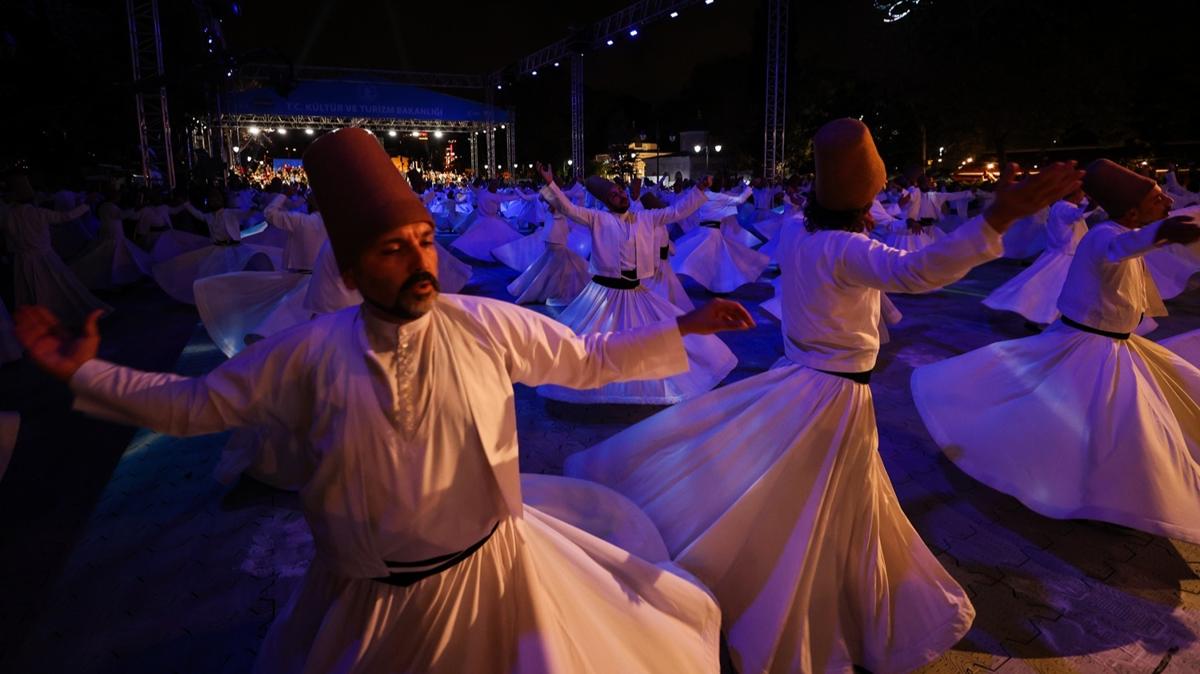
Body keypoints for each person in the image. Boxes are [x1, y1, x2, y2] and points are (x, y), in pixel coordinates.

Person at [15, 127, 756, 674]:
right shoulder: (307, 353)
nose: (420, 262)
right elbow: (195, 405)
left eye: (425, 240)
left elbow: (588, 359)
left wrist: (683, 325)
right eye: (391, 248)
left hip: (492, 580)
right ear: (348, 264)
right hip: (368, 601)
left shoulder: (485, 324)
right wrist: (87, 375)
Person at [566, 118, 1083, 674]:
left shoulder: (798, 230)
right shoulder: (846, 247)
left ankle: (762, 564)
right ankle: (791, 594)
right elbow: (917, 272)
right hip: (832, 394)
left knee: (782, 484)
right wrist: (996, 219)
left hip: (798, 379)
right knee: (823, 494)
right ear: (867, 197)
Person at [912, 158, 1200, 544]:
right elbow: (1122, 247)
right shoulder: (1104, 236)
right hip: (1089, 345)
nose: (1166, 201)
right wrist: (1160, 233)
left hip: (1115, 346)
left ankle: (1108, 491)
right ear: (1133, 212)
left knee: (1116, 420)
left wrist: (1163, 230)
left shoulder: (1117, 229)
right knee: (1102, 421)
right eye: (1156, 199)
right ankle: (1090, 490)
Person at [535, 163, 740, 405]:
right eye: (613, 194)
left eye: (620, 192)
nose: (620, 195)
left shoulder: (646, 218)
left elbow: (676, 211)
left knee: (653, 335)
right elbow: (567, 208)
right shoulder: (597, 218)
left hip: (635, 290)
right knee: (594, 341)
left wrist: (698, 189)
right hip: (604, 294)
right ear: (605, 201)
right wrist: (550, 183)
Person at [4, 175, 111, 326]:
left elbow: (10, 241)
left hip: (23, 261)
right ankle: (53, 317)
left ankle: (35, 321)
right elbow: (65, 217)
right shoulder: (38, 213)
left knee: (28, 292)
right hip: (44, 258)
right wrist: (86, 205)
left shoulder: (8, 215)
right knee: (55, 288)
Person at [983, 186, 1094, 325]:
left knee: (1045, 287)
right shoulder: (1064, 207)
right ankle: (1043, 318)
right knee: (1050, 289)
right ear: (1074, 194)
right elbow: (1079, 214)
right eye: (1081, 192)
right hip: (1064, 258)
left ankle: (1043, 318)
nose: (1083, 196)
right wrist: (1096, 202)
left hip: (1064, 255)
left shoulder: (1062, 206)